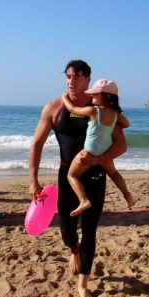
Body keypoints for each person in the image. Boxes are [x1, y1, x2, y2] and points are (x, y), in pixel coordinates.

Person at [29, 60, 127, 297]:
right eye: (69, 76)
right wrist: (33, 180)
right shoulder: (54, 108)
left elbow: (121, 144)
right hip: (67, 176)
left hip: (94, 175)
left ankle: (83, 283)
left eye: (78, 77)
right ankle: (73, 250)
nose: (72, 81)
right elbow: (37, 144)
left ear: (88, 80)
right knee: (66, 230)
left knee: (90, 230)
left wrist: (99, 159)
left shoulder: (101, 110)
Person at [60, 78, 135, 216]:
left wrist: (64, 97)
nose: (91, 95)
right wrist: (114, 122)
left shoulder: (93, 111)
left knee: (71, 175)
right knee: (113, 173)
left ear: (106, 96)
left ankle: (83, 200)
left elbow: (72, 109)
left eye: (95, 93)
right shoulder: (115, 114)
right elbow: (127, 124)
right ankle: (127, 195)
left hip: (89, 152)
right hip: (104, 152)